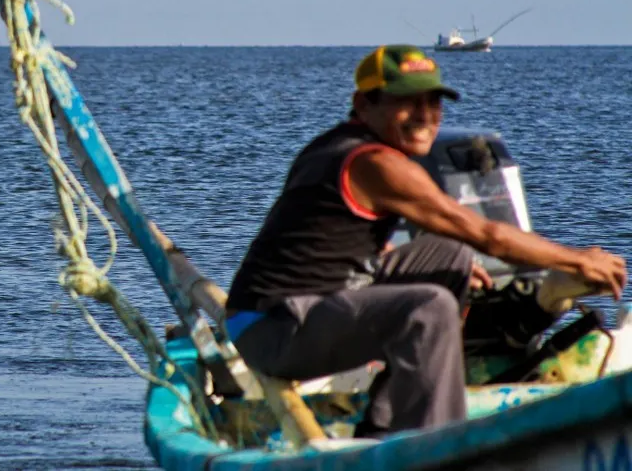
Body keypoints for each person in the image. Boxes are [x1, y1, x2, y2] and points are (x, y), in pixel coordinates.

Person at [224, 44, 626, 438]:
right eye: (407, 102)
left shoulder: (336, 145)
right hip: (275, 330)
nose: (425, 116)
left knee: (448, 255)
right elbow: (488, 236)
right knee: (428, 308)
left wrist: (387, 253)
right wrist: (576, 260)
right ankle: (440, 440)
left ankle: (385, 418)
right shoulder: (376, 164)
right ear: (363, 105)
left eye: (434, 103)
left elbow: (318, 232)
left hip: (302, 307)